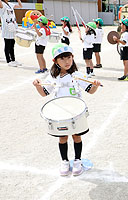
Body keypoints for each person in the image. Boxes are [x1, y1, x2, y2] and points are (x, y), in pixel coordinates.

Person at [32, 44, 101, 176]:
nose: (67, 61)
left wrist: (95, 85)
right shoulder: (52, 77)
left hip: (76, 112)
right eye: (62, 59)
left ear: (72, 58)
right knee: (62, 138)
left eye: (69, 57)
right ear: (55, 61)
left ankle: (77, 161)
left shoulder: (77, 75)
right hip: (60, 112)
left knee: (77, 136)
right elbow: (44, 93)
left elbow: (90, 90)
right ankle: (64, 161)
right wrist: (37, 86)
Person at [0, 0, 22, 67]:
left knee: (12, 44)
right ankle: (8, 60)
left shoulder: (10, 4)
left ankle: (13, 60)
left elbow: (20, 6)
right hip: (7, 26)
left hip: (13, 26)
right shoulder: (2, 4)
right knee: (7, 44)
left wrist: (18, 0)